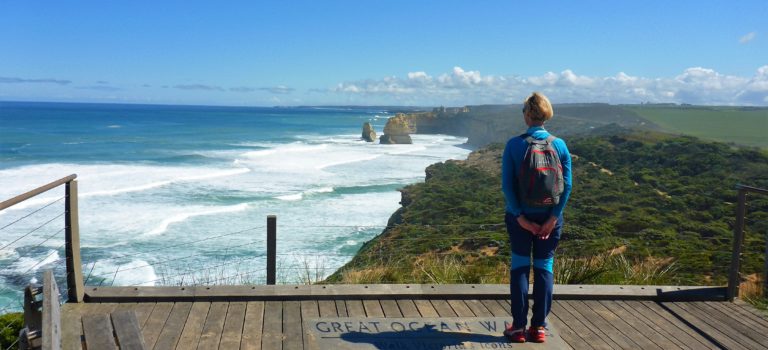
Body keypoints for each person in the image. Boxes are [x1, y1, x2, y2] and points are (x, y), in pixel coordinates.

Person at [501, 92, 572, 343]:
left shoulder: (514, 144)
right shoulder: (559, 145)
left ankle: (518, 327)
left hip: (520, 219)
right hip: (550, 219)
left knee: (520, 268)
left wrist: (520, 217)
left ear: (528, 114)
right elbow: (567, 186)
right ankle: (538, 328)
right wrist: (553, 218)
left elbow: (507, 186)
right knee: (544, 269)